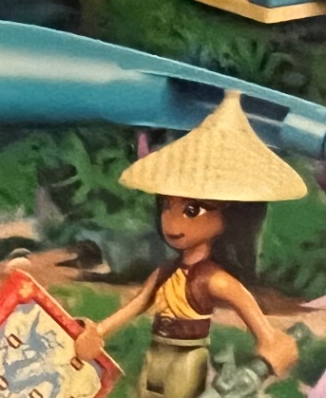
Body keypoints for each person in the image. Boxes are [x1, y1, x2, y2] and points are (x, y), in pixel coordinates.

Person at [73, 91, 307, 398]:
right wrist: (100, 331)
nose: (172, 222)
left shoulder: (216, 280)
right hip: (157, 352)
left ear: (230, 217)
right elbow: (138, 303)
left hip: (187, 359)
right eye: (167, 206)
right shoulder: (167, 271)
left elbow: (259, 324)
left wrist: (269, 342)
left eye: (192, 210)